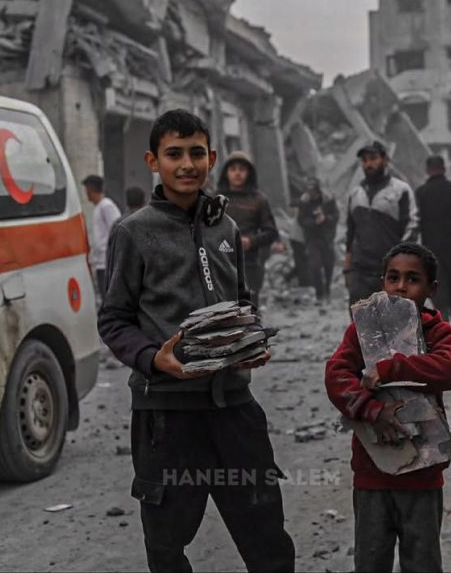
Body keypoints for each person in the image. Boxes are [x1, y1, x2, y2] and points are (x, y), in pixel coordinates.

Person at [98, 109, 295, 573]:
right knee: (167, 547)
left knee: (267, 537)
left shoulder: (226, 229)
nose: (187, 164)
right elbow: (113, 319)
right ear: (153, 160)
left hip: (234, 410)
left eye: (196, 153)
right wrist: (151, 359)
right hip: (167, 416)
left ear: (212, 157)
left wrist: (251, 338)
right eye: (174, 154)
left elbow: (243, 300)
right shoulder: (133, 231)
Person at [325, 242, 451, 573]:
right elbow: (337, 375)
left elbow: (446, 367)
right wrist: (373, 410)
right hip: (373, 468)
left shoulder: (436, 330)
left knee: (423, 559)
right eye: (393, 277)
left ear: (432, 289)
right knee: (371, 559)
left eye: (412, 279)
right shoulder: (363, 330)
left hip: (423, 471)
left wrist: (391, 369)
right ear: (382, 281)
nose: (400, 286)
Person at [344, 140, 419, 307]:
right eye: (364, 160)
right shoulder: (355, 193)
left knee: (392, 325)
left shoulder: (401, 190)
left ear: (385, 160)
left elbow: (412, 227)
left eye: (373, 158)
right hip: (361, 269)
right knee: (361, 323)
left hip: (390, 271)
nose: (368, 164)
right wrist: (347, 267)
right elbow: (350, 232)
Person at [415, 155, 451, 333]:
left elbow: (416, 221)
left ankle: (444, 322)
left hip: (431, 246)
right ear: (444, 169)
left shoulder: (421, 192)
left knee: (438, 283)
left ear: (427, 170)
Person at [216, 150, 279, 309]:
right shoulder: (216, 199)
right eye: (233, 169)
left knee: (248, 309)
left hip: (250, 264)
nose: (237, 173)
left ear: (249, 173)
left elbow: (271, 232)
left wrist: (251, 241)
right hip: (220, 264)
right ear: (226, 173)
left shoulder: (259, 200)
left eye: (242, 169)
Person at [297, 178, 339, 302]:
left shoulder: (328, 200)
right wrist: (314, 222)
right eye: (310, 192)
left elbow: (336, 216)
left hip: (327, 237)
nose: (312, 195)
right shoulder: (304, 202)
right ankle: (319, 295)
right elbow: (301, 220)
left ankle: (328, 291)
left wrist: (325, 218)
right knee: (315, 266)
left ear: (318, 191)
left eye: (314, 192)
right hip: (312, 238)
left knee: (328, 265)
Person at [81, 174, 121, 300]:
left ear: (91, 189)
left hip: (107, 262)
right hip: (100, 262)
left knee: (110, 298)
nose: (86, 193)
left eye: (87, 189)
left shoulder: (106, 206)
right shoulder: (98, 208)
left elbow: (117, 229)